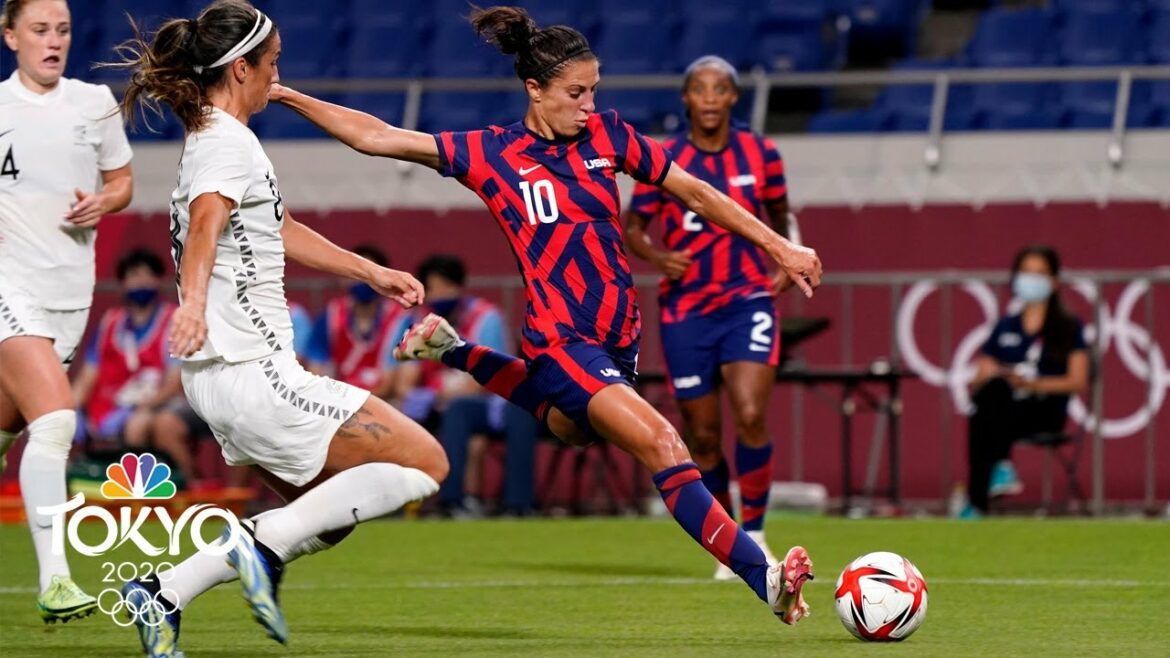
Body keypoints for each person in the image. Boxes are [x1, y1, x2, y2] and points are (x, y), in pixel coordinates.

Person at [272, 5, 821, 625]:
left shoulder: (610, 136)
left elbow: (695, 191)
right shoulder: (492, 153)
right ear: (534, 90)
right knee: (663, 442)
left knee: (571, 428)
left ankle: (453, 350)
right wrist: (285, 93)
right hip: (560, 340)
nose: (588, 105)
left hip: (619, 340)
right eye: (575, 93)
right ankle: (763, 573)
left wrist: (778, 244)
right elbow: (377, 137)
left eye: (594, 90)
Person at [107, 2, 447, 656]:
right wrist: (194, 302)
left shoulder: (213, 138)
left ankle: (163, 593)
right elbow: (207, 220)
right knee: (425, 462)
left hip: (220, 384)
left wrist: (366, 270)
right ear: (242, 69)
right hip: (255, 372)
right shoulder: (227, 144)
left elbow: (275, 229)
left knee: (331, 509)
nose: (278, 75)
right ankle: (255, 552)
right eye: (274, 63)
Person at [624, 55, 794, 580]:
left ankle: (759, 532)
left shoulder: (761, 152)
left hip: (747, 300)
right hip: (686, 308)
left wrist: (789, 250)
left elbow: (782, 212)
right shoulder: (665, 157)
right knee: (701, 435)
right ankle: (731, 539)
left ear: (734, 98)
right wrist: (655, 256)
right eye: (701, 89)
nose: (712, 98)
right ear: (687, 99)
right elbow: (633, 225)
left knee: (749, 413)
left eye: (721, 89)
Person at [0, 0, 134, 622]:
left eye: (62, 31)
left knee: (8, 430)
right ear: (9, 37)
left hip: (69, 296)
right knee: (55, 422)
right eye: (38, 30)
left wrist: (103, 202)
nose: (53, 42)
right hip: (8, 286)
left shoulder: (94, 103)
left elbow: (123, 182)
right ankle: (56, 582)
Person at [392, 254, 536, 517]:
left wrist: (443, 395)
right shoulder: (417, 321)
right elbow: (405, 378)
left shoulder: (484, 317)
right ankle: (448, 503)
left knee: (466, 409)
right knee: (445, 411)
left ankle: (518, 506)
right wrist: (429, 396)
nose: (444, 293)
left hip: (484, 401)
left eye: (449, 286)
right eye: (437, 287)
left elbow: (488, 377)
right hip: (435, 403)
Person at [963, 245, 1089, 517]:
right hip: (1005, 407)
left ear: (1054, 281)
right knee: (989, 399)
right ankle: (996, 475)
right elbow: (978, 379)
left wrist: (1032, 385)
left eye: (1040, 273)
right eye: (1026, 272)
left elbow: (1077, 380)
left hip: (1044, 410)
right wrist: (996, 374)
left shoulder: (1069, 326)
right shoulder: (1006, 325)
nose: (1032, 279)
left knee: (990, 409)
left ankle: (977, 500)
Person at [71, 249, 196, 483]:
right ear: (123, 283)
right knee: (63, 425)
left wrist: (143, 407)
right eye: (135, 276)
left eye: (149, 275)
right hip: (108, 407)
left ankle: (168, 488)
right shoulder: (109, 323)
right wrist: (67, 410)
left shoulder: (173, 320)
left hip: (158, 403)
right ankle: (72, 492)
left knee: (137, 426)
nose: (142, 282)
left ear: (159, 280)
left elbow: (174, 381)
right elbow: (87, 378)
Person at [305, 244, 406, 399]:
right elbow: (315, 371)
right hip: (337, 403)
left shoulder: (399, 321)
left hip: (385, 403)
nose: (362, 281)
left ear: (385, 280)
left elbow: (389, 384)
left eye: (369, 275)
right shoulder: (330, 317)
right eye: (357, 275)